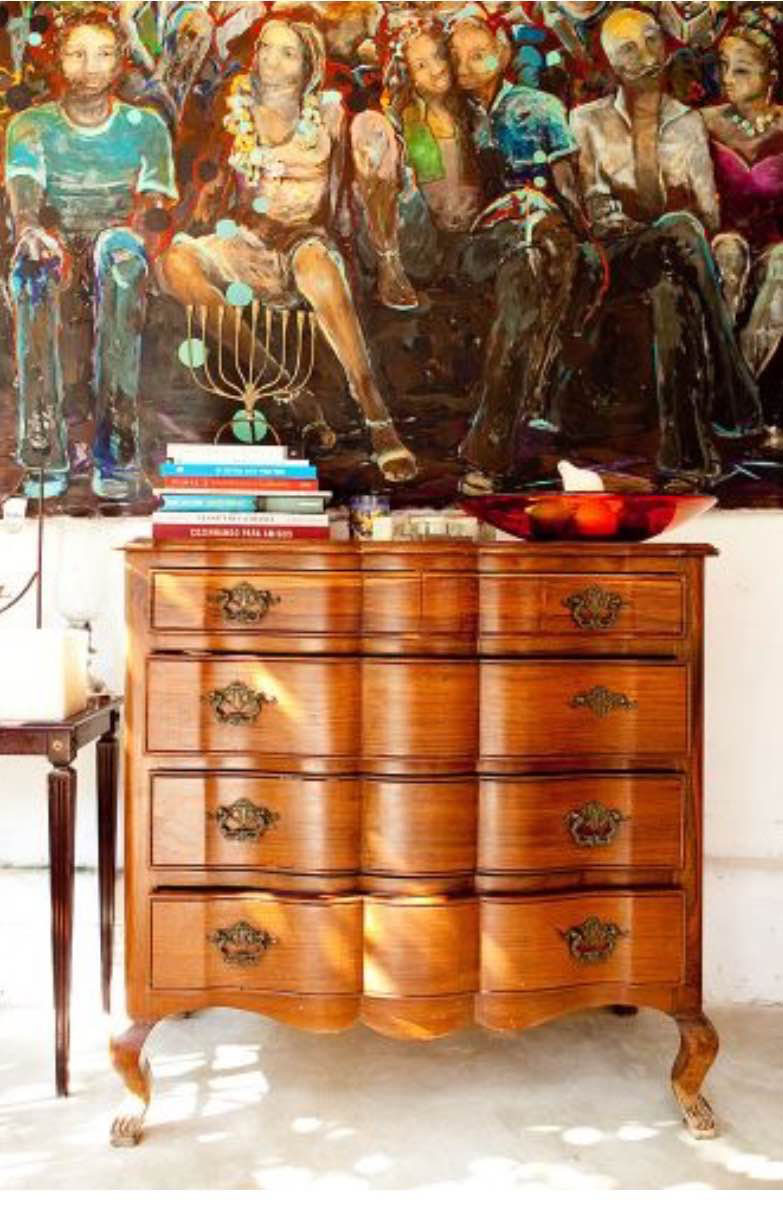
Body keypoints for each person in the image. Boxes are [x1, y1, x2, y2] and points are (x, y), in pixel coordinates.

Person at [158, 17, 418, 482]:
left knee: (318, 268)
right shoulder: (234, 106)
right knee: (174, 262)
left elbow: (355, 174)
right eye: (265, 48)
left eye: (287, 53)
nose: (271, 61)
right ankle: (283, 385)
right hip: (246, 237)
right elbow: (206, 177)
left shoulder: (329, 112)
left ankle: (375, 413)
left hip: (303, 238)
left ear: (308, 67)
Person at [569, 5, 763, 486]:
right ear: (611, 61)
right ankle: (733, 384)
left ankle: (687, 459)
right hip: (615, 260)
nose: (647, 54)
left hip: (675, 256)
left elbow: (709, 214)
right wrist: (659, 218)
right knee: (679, 228)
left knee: (672, 291)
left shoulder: (687, 122)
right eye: (629, 49)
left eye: (653, 39)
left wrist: (672, 219)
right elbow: (596, 212)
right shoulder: (586, 120)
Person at [5, 5, 177, 499]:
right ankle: (43, 451)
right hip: (55, 241)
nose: (90, 66)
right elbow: (24, 194)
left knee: (119, 258)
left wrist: (132, 237)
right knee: (32, 267)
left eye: (102, 54)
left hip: (120, 241)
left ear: (121, 60)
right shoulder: (30, 125)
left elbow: (154, 205)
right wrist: (31, 231)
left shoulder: (145, 126)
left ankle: (116, 451)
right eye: (76, 54)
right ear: (56, 59)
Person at [443, 9, 603, 489]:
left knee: (534, 261)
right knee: (532, 242)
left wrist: (578, 229)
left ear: (504, 51)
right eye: (456, 57)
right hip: (479, 244)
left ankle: (489, 452)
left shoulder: (539, 106)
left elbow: (567, 185)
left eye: (478, 54)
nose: (466, 67)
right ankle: (538, 395)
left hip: (541, 240)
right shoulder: (448, 116)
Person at [702, 20, 783, 445]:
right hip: (720, 237)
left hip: (774, 241)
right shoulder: (705, 122)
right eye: (724, 67)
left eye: (742, 69)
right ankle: (719, 399)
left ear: (772, 76)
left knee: (782, 268)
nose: (728, 79)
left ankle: (739, 400)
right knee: (729, 255)